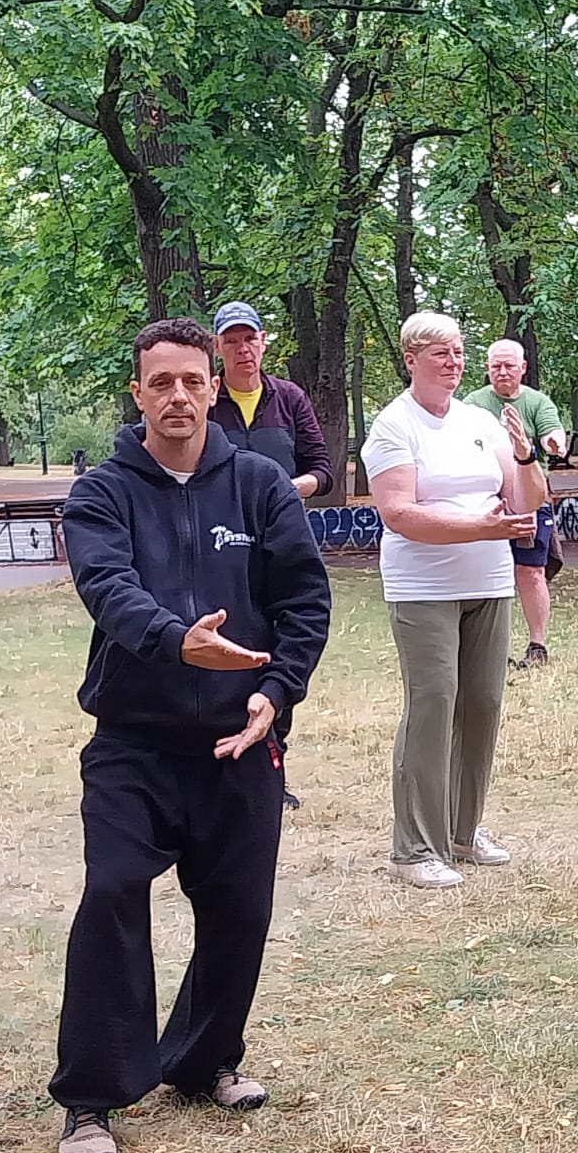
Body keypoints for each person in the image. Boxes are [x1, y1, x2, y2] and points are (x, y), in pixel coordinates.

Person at [51, 316, 331, 1153]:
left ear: (217, 387)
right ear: (136, 393)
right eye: (160, 382)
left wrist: (274, 697)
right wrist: (178, 640)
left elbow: (305, 604)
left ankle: (205, 1062)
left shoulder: (260, 484)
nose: (178, 396)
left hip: (240, 741)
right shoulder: (101, 492)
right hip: (134, 742)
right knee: (111, 893)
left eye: (193, 381)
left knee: (240, 910)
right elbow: (109, 588)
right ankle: (93, 1099)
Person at [362, 311, 547, 888]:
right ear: (411, 359)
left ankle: (463, 833)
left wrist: (524, 456)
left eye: (460, 351)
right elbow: (399, 513)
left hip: (488, 582)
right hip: (424, 587)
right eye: (441, 352)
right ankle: (415, 847)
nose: (454, 362)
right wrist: (482, 529)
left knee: (483, 703)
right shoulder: (394, 426)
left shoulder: (479, 421)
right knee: (434, 703)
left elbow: (527, 499)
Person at [209, 298, 333, 809]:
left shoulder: (289, 398)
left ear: (264, 343)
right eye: (231, 341)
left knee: (281, 647)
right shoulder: (207, 400)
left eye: (250, 339)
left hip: (282, 541)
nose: (242, 349)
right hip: (219, 544)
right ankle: (222, 756)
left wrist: (283, 488)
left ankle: (273, 760)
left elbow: (322, 470)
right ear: (218, 348)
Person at [464, 339, 567, 667]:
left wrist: (553, 443)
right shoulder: (472, 404)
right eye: (496, 366)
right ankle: (492, 648)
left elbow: (555, 436)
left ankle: (538, 645)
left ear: (523, 368)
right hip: (485, 499)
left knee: (531, 570)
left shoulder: (538, 402)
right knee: (487, 571)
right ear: (487, 368)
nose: (502, 371)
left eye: (509, 365)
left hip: (530, 498)